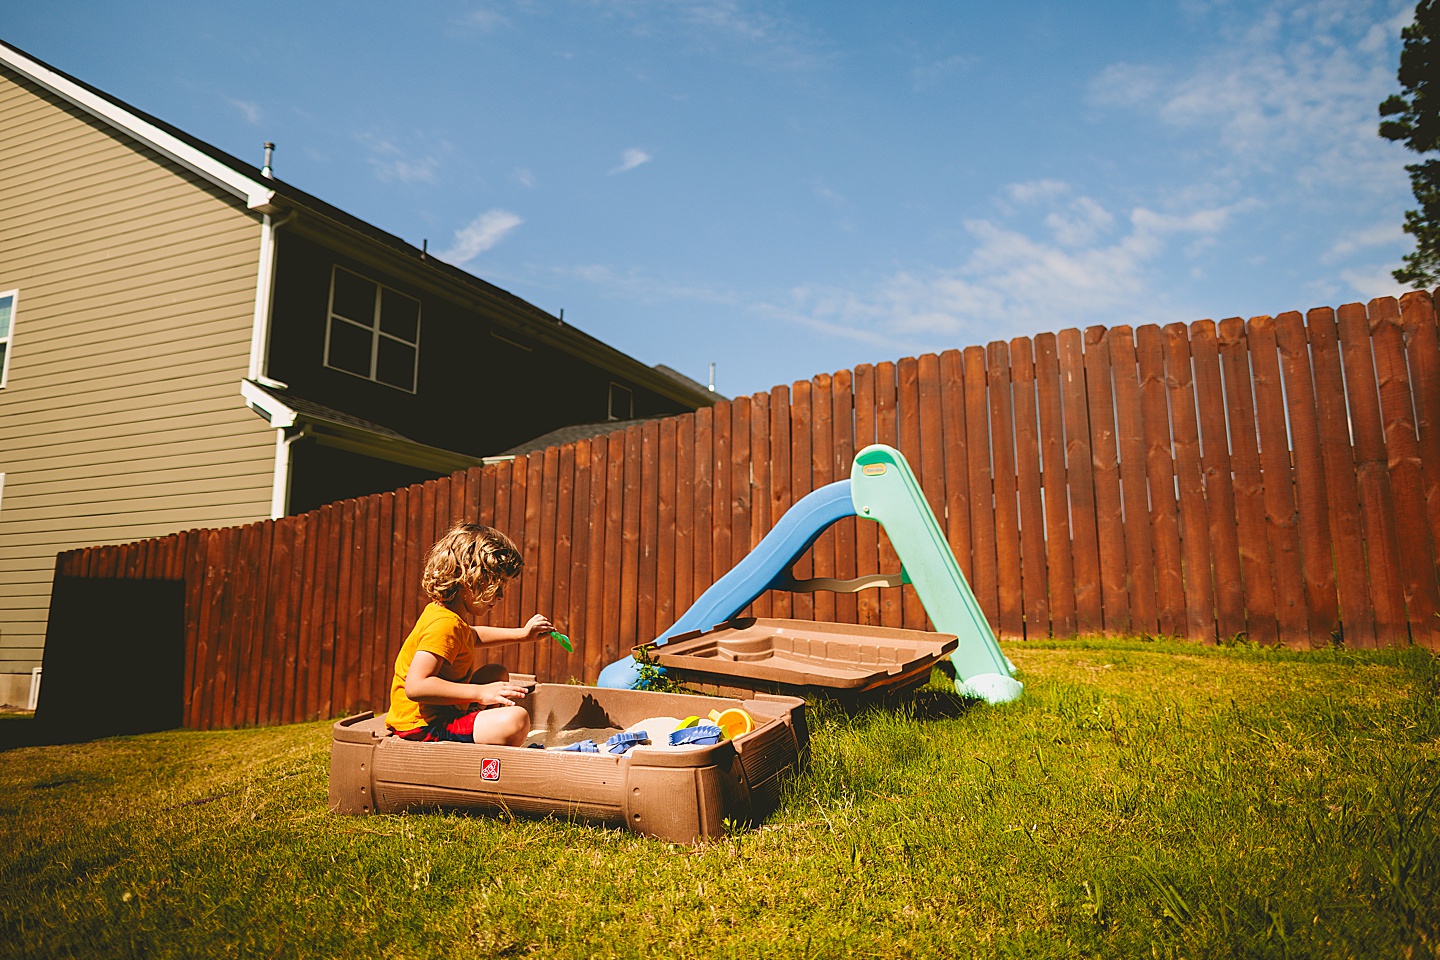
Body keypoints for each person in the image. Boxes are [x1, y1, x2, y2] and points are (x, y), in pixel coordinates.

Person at [385, 522, 552, 746]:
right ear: (468, 574)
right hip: (423, 725)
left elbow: (472, 636)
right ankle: (472, 729)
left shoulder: (450, 617)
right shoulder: (443, 624)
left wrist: (523, 635)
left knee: (496, 672)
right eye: (497, 584)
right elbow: (417, 686)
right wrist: (479, 693)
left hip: (438, 712)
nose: (501, 595)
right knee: (517, 721)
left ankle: (472, 721)